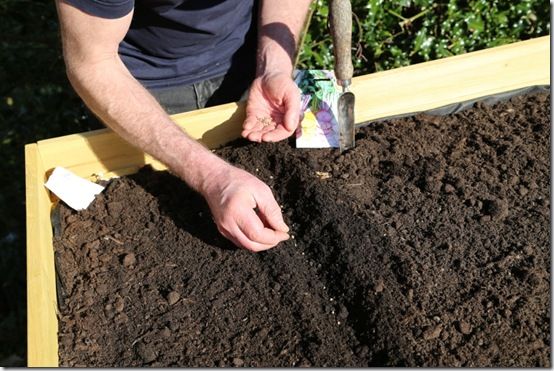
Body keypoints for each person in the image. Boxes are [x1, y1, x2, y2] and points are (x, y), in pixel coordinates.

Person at [55, 0, 313, 252]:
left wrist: (274, 67)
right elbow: (93, 63)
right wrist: (213, 176)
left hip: (247, 54)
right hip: (139, 89)